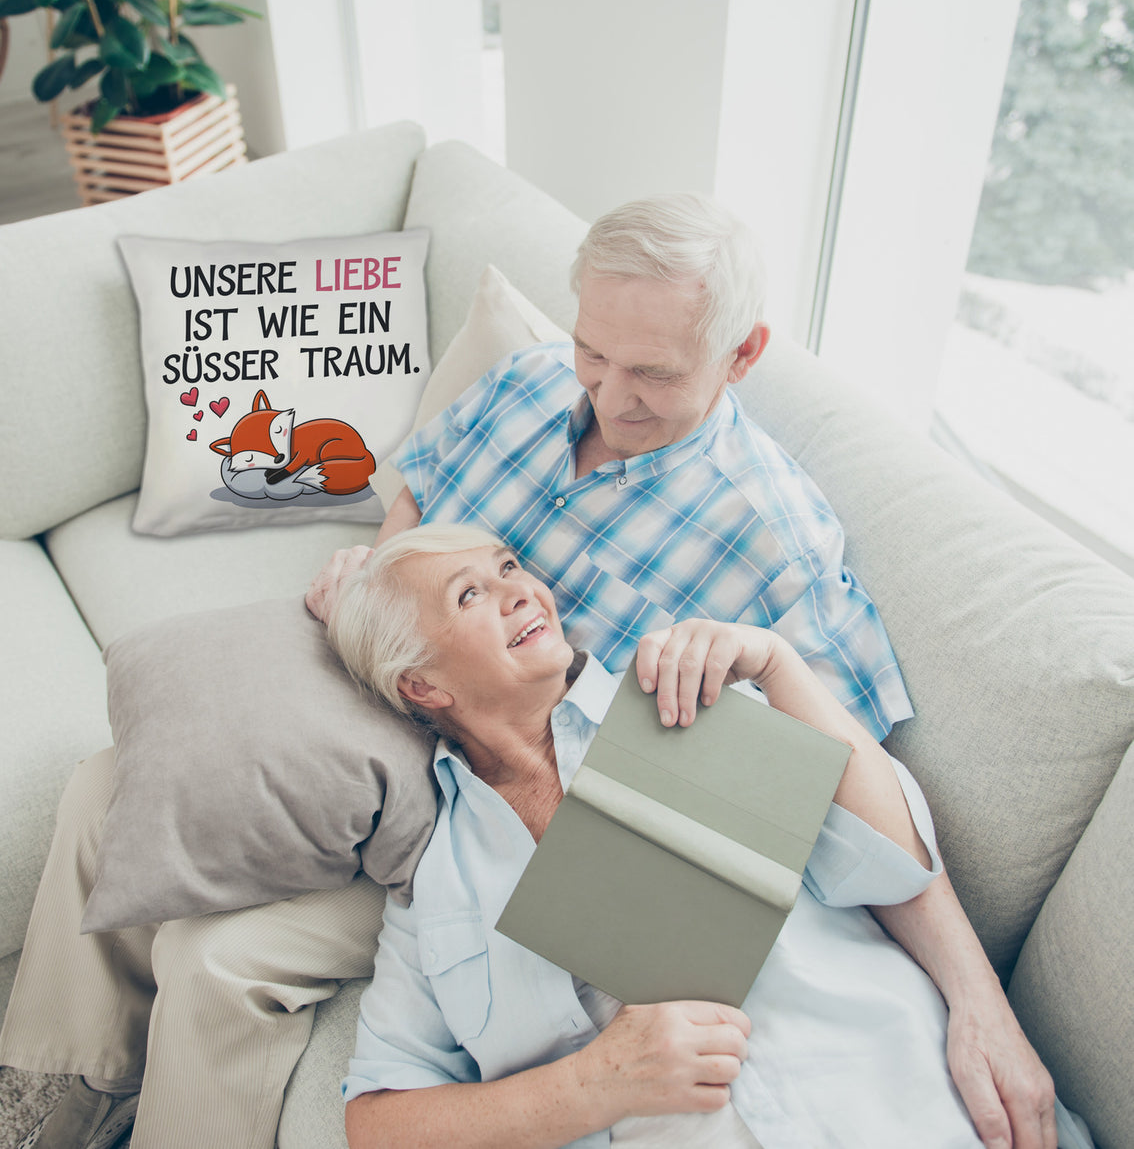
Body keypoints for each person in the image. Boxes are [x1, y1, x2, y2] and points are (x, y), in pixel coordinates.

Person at [308, 194, 1056, 1148]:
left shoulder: (753, 590)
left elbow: (864, 820)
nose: (610, 397)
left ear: (742, 355)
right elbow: (419, 484)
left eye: (652, 373)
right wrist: (383, 591)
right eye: (594, 353)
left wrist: (978, 1003)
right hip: (413, 770)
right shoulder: (528, 385)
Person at [327, 524, 1080, 1149]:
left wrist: (778, 665)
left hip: (904, 1101)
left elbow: (892, 864)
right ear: (422, 685)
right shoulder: (436, 886)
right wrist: (594, 1084)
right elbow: (378, 1123)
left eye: (509, 567)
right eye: (470, 594)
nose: (521, 590)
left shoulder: (682, 697)